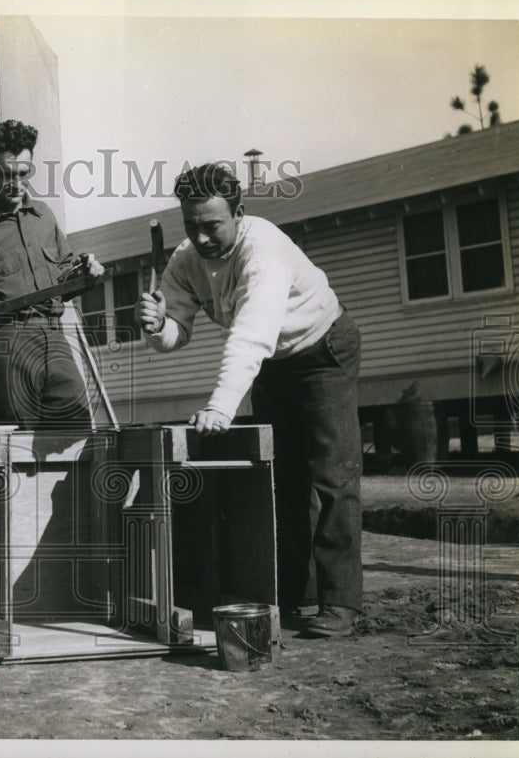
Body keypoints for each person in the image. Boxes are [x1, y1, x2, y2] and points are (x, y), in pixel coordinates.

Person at [134, 162, 363, 637]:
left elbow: (251, 334)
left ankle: (342, 604)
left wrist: (221, 405)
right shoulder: (185, 260)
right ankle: (292, 592)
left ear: (238, 213)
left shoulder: (264, 250)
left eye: (212, 225)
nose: (200, 238)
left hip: (322, 349)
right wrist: (155, 326)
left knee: (332, 476)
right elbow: (176, 332)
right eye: (191, 226)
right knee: (284, 480)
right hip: (274, 364)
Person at [0, 120, 103, 428]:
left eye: (23, 174)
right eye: (6, 174)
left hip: (55, 340)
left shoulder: (44, 218)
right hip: (3, 345)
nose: (16, 183)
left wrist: (85, 273)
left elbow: (63, 277)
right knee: (14, 448)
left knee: (76, 432)